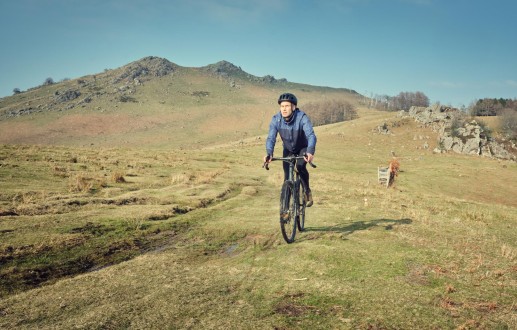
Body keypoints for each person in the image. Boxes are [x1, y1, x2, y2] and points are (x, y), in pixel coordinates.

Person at [263, 92, 317, 207]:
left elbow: (311, 135)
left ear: (293, 107)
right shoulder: (276, 119)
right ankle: (285, 209)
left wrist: (310, 151)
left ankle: (307, 191)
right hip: (288, 149)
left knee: (300, 166)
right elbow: (271, 138)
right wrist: (269, 153)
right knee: (287, 177)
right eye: (282, 106)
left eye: (287, 106)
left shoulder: (301, 117)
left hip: (303, 148)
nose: (284, 109)